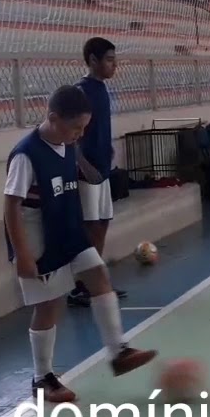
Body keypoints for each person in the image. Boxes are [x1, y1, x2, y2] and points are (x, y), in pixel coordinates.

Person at [4, 85, 156, 403]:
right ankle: (42, 378)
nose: (79, 134)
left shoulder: (68, 145)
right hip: (40, 242)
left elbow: (81, 175)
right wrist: (22, 255)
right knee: (49, 307)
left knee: (98, 273)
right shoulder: (26, 155)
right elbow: (11, 207)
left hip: (69, 234)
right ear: (53, 118)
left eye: (83, 128)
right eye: (75, 128)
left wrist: (90, 164)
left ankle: (118, 352)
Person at [69, 37, 124, 307]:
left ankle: (96, 282)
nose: (115, 65)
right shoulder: (80, 92)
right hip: (86, 172)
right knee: (90, 227)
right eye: (110, 59)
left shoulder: (102, 90)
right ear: (93, 60)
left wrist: (108, 150)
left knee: (102, 223)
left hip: (103, 169)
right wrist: (83, 165)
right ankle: (81, 286)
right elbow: (71, 136)